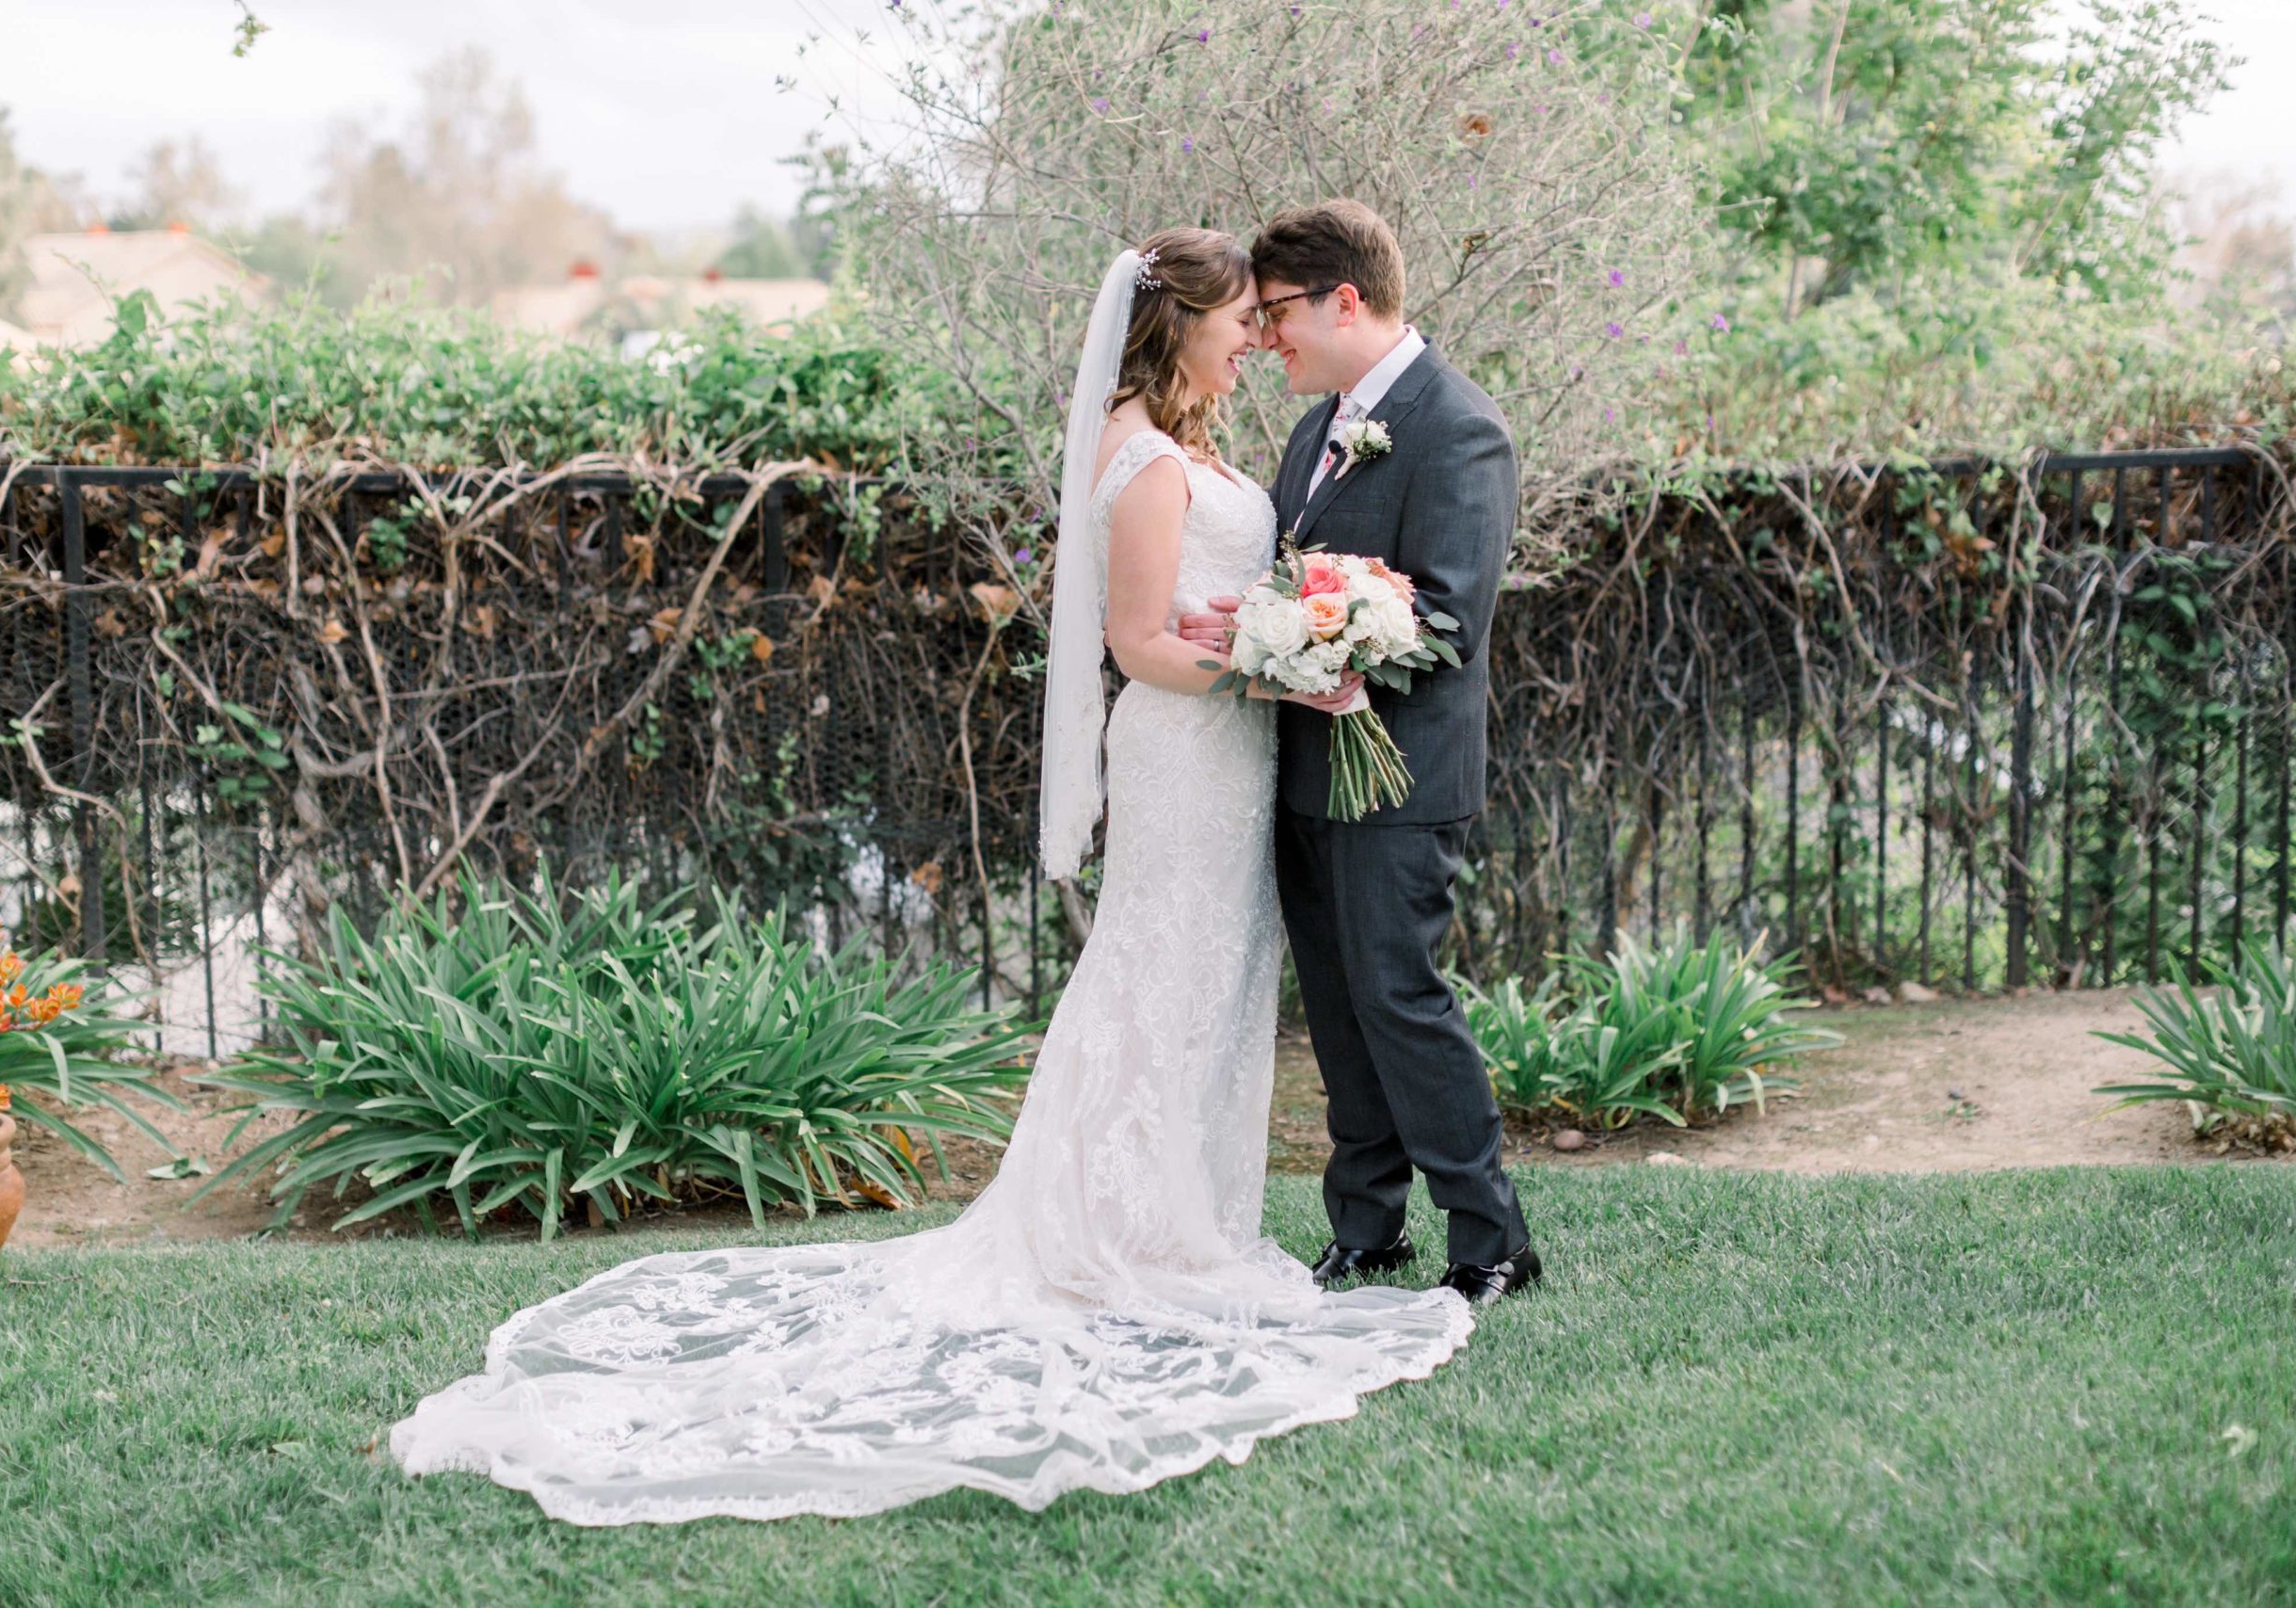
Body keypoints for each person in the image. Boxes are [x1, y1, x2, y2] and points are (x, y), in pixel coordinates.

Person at [388, 227, 1476, 1525]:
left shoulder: (1205, 440)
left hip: (1237, 757)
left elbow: (1225, 599)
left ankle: (1185, 1219)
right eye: (1238, 316)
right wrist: (1280, 661)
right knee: (1157, 974)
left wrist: (1283, 636)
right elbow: (1139, 644)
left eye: (1264, 315)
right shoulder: (1142, 455)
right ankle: (1124, 1233)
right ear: (1176, 322)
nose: (1256, 335)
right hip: (1192, 754)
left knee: (1215, 987)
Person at [1178, 200, 1540, 1303]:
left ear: (1345, 299)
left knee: (1400, 998)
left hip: (1399, 774)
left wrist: (1315, 646)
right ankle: (1367, 1227)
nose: (1264, 333)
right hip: (1303, 768)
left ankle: (1490, 1238)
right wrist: (1270, 635)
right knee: (1337, 1006)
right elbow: (1301, 578)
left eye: (1278, 310)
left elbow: (1448, 616)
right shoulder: (1314, 424)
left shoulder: (1456, 427)